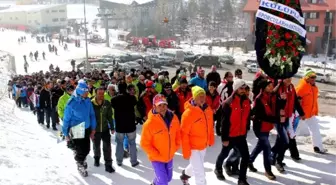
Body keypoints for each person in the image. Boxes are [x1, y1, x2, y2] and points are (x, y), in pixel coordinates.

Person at [214, 79, 251, 185]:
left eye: (244, 88)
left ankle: (242, 179)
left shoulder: (247, 101)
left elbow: (247, 117)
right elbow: (224, 123)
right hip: (230, 135)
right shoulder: (228, 103)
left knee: (245, 156)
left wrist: (246, 130)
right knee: (224, 154)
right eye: (241, 88)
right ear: (236, 89)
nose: (243, 90)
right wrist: (224, 138)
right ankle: (218, 168)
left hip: (241, 135)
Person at [140, 94, 181, 185]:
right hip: (157, 158)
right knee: (163, 181)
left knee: (168, 178)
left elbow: (178, 133)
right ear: (154, 106)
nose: (163, 107)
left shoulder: (174, 118)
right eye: (160, 105)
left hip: (169, 156)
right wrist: (156, 154)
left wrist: (175, 146)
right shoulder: (149, 123)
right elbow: (144, 143)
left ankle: (154, 183)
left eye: (164, 105)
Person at [180, 86, 214, 185]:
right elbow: (184, 134)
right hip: (193, 147)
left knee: (196, 165)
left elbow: (210, 126)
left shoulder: (208, 110)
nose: (202, 98)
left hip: (203, 145)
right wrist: (186, 150)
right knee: (200, 174)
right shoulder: (188, 113)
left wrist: (210, 139)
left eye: (203, 96)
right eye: (199, 96)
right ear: (194, 97)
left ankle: (184, 175)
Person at [62, 80, 97, 177]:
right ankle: (80, 162)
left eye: (87, 92)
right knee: (82, 150)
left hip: (86, 128)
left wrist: (93, 129)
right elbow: (66, 120)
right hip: (76, 129)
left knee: (87, 149)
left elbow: (92, 115)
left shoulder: (87, 101)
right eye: (86, 92)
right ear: (81, 92)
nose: (87, 93)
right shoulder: (71, 103)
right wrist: (65, 134)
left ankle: (80, 156)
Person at [248, 79, 277, 180]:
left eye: (271, 85)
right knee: (267, 148)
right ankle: (268, 170)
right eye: (269, 86)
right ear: (264, 87)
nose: (271, 87)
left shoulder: (271, 96)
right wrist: (274, 119)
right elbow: (260, 116)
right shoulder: (259, 99)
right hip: (260, 127)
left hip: (267, 127)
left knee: (260, 146)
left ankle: (249, 161)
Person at [296, 69, 327, 154]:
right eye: (311, 77)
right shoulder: (302, 87)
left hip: (310, 114)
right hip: (301, 114)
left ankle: (317, 147)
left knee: (315, 129)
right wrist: (298, 113)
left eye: (315, 77)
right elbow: (295, 101)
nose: (314, 79)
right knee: (294, 131)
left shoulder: (313, 87)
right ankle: (283, 145)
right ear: (306, 77)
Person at [111, 81, 139, 167]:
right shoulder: (132, 98)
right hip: (130, 124)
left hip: (120, 125)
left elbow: (113, 106)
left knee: (119, 143)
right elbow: (135, 103)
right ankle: (133, 161)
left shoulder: (114, 99)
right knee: (132, 143)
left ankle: (119, 161)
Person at [91, 87, 115, 173]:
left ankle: (108, 165)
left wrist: (112, 127)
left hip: (105, 129)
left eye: (102, 94)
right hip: (95, 130)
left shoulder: (107, 103)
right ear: (95, 93)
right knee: (96, 146)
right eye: (99, 94)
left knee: (107, 147)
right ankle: (96, 158)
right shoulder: (91, 103)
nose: (101, 95)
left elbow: (110, 116)